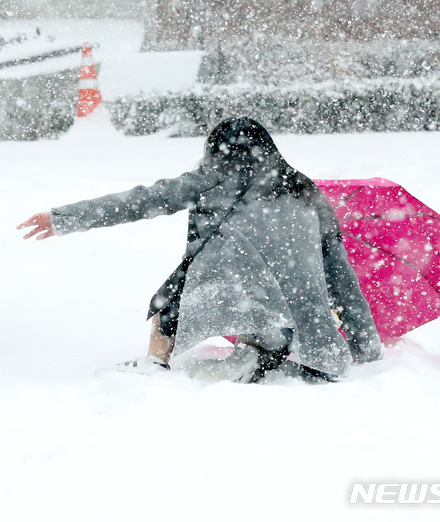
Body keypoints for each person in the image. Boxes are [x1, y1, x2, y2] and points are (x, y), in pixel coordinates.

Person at [17, 117, 381, 383]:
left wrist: (64, 218)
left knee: (168, 297)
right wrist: (366, 347)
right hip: (308, 332)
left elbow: (140, 201)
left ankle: (157, 364)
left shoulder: (209, 179)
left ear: (216, 150)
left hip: (230, 291)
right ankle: (268, 346)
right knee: (268, 290)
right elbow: (341, 279)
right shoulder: (306, 193)